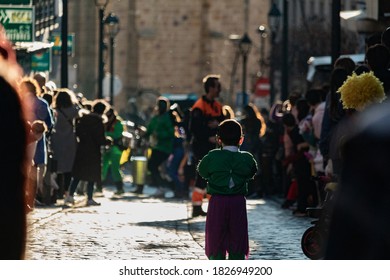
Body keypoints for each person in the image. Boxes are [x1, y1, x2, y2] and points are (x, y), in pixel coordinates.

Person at [197, 119, 258, 260]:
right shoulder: (247, 159)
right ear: (241, 139)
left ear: (219, 140)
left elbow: (203, 171)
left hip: (217, 201)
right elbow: (251, 173)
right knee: (238, 234)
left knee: (216, 234)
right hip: (238, 201)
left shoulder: (212, 156)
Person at [189, 74, 225, 217]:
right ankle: (197, 206)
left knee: (212, 175)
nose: (219, 90)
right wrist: (208, 136)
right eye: (217, 87)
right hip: (201, 146)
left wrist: (217, 126)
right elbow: (194, 128)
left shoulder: (217, 106)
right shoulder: (199, 106)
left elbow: (223, 123)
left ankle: (211, 205)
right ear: (210, 88)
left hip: (213, 146)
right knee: (202, 175)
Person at [65, 99, 109, 206]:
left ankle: (70, 195)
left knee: (78, 174)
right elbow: (100, 139)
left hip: (82, 149)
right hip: (93, 151)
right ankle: (89, 198)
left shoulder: (83, 119)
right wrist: (108, 141)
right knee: (92, 176)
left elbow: (78, 132)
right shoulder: (98, 122)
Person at [50, 89, 80, 200]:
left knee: (57, 166)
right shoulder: (73, 110)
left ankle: (57, 191)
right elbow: (79, 112)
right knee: (69, 167)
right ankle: (67, 191)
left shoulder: (55, 111)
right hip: (69, 141)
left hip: (56, 140)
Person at [144, 96, 175, 197]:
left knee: (152, 166)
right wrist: (145, 134)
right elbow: (150, 129)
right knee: (152, 166)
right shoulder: (156, 118)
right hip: (156, 146)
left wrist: (160, 135)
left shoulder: (167, 117)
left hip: (164, 147)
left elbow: (171, 133)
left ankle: (164, 186)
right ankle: (163, 186)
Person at [101, 107, 125, 195]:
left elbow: (117, 134)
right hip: (106, 148)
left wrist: (106, 134)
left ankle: (120, 188)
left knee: (115, 168)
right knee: (103, 167)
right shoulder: (105, 122)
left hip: (116, 148)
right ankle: (99, 187)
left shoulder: (118, 123)